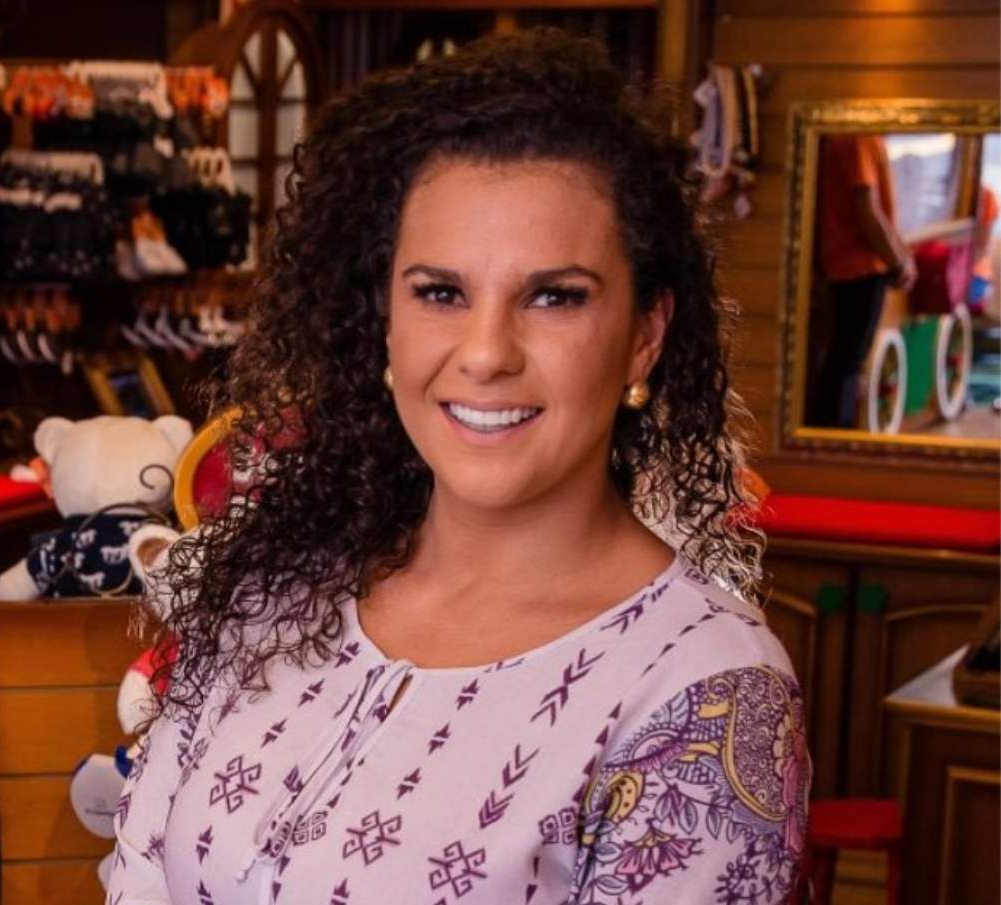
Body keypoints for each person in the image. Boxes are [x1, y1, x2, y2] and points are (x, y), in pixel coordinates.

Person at [108, 29, 811, 905]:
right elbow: (140, 870)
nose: (484, 353)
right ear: (385, 321)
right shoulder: (272, 587)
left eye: (553, 296)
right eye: (440, 292)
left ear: (644, 335)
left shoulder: (703, 693)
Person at [813, 134, 917, 428]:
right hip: (858, 268)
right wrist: (897, 263)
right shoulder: (858, 137)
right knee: (846, 363)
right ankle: (833, 437)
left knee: (844, 361)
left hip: (851, 266)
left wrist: (900, 256)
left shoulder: (860, 138)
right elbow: (867, 210)